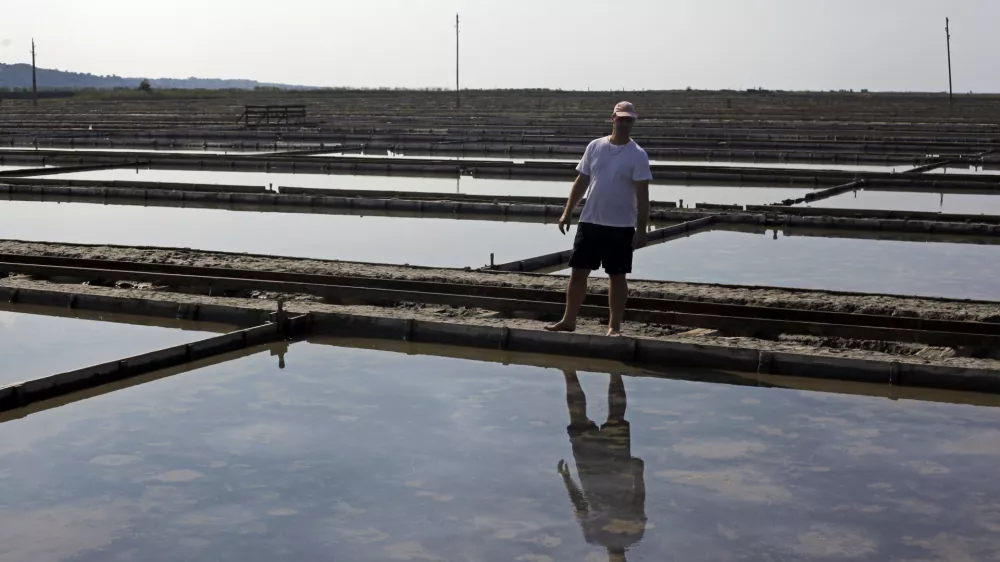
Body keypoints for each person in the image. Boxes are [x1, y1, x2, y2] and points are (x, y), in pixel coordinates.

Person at [546, 101, 653, 337]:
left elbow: (643, 197)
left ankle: (614, 327)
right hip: (590, 221)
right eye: (621, 118)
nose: (625, 123)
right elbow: (582, 181)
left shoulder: (638, 155)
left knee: (617, 277)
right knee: (578, 272)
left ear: (633, 122)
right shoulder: (595, 146)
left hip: (621, 225)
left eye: (629, 120)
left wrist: (641, 230)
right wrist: (567, 211)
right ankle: (568, 320)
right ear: (612, 119)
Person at [556, 370, 647, 562]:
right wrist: (639, 474)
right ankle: (614, 371)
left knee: (579, 419)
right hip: (617, 469)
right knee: (616, 418)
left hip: (590, 471)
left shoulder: (593, 536)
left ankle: (569, 371)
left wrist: (567, 479)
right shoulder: (634, 534)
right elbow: (638, 499)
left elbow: (580, 505)